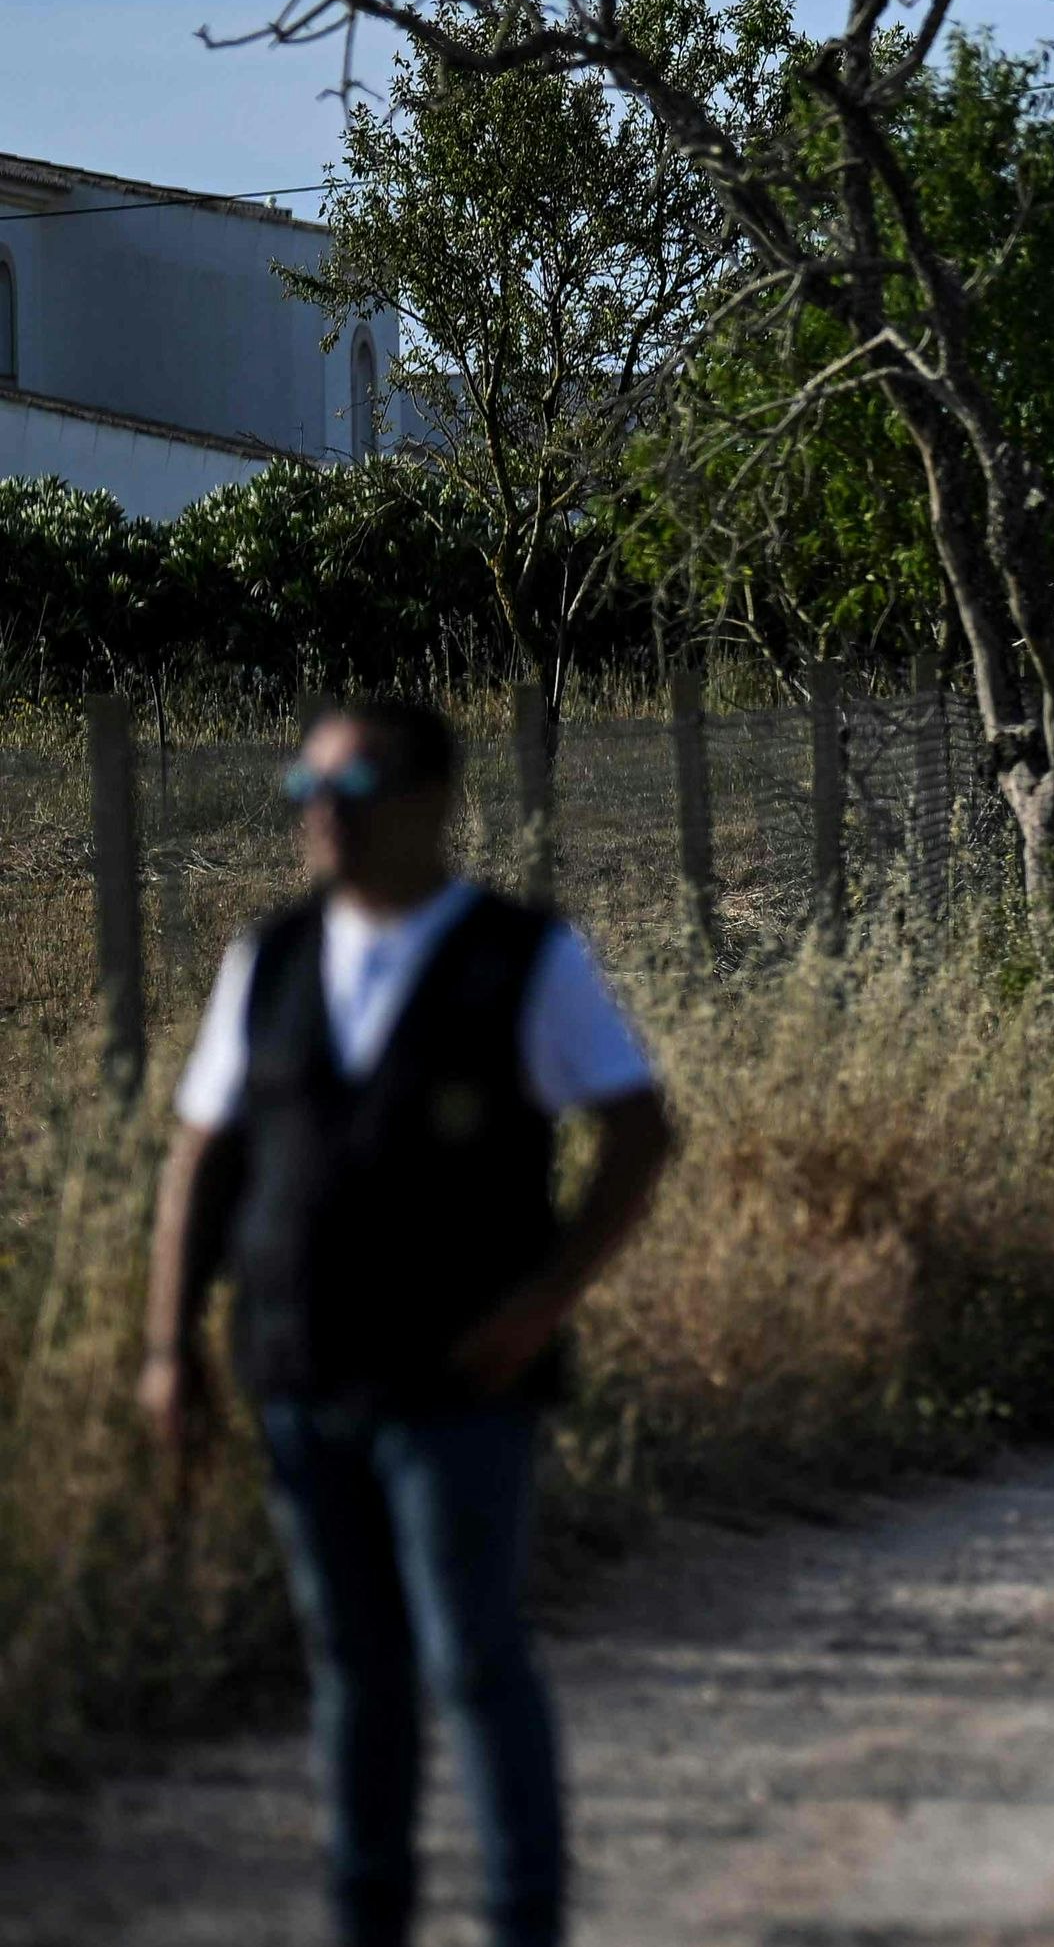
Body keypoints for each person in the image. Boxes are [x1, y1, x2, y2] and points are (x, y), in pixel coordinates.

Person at [138, 696, 679, 1947]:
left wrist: (539, 1307)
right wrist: (171, 1350)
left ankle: (519, 1918)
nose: (321, 811)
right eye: (306, 788)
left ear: (434, 800)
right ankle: (366, 1918)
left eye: (355, 784)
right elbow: (202, 1160)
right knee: (352, 1670)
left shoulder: (519, 955)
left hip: (460, 1382)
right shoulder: (263, 959)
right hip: (300, 1372)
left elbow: (639, 1133)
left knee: (474, 1659)